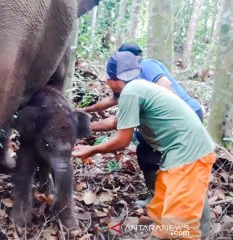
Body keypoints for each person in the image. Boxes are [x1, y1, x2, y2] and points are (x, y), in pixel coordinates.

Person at [72, 51, 215, 239]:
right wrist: (81, 126)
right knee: (164, 206)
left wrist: (91, 149)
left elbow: (122, 140)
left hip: (187, 155)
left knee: (179, 224)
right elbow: (116, 121)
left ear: (112, 80)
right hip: (184, 152)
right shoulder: (140, 87)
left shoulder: (131, 92)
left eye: (108, 79)